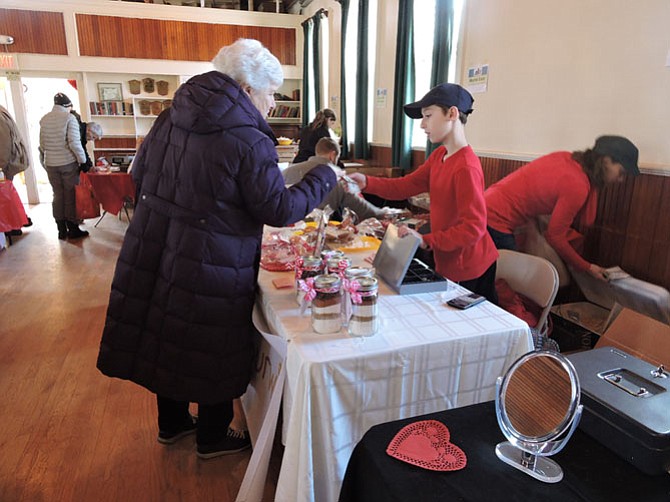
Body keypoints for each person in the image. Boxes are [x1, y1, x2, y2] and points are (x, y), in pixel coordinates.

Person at [96, 38, 336, 459]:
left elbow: (141, 173)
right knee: (210, 339)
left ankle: (171, 424)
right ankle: (211, 436)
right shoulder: (247, 135)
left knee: (165, 329)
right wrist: (323, 176)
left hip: (157, 242)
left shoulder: (172, 115)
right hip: (213, 255)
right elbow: (277, 207)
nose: (273, 103)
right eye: (270, 93)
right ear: (246, 89)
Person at [349, 83, 499, 303]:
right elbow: (405, 185)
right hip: (448, 259)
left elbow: (473, 228)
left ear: (452, 114)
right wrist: (367, 182)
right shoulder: (439, 156)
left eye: (428, 115)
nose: (422, 125)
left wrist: (425, 240)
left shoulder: (466, 166)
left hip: (470, 266)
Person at [485, 135, 639, 281]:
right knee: (510, 282)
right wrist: (587, 267)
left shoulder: (567, 158)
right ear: (606, 161)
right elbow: (555, 236)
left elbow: (584, 218)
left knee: (496, 277)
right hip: (498, 218)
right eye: (621, 173)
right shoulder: (577, 184)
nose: (620, 180)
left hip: (486, 204)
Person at [282, 137, 390, 221]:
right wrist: (383, 214)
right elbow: (363, 210)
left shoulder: (287, 172)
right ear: (333, 155)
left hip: (287, 231)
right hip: (321, 233)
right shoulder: (339, 178)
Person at [39, 93, 89, 239]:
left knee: (57, 195)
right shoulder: (69, 118)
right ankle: (73, 228)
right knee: (70, 196)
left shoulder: (45, 119)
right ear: (67, 106)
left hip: (51, 164)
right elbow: (74, 143)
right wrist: (83, 161)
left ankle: (61, 230)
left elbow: (42, 145)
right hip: (67, 163)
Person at [0, 104, 32, 236]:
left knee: (6, 197)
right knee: (8, 195)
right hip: (9, 162)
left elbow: (4, 145)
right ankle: (16, 223)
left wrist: (1, 166)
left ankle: (12, 225)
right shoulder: (2, 111)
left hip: (5, 164)